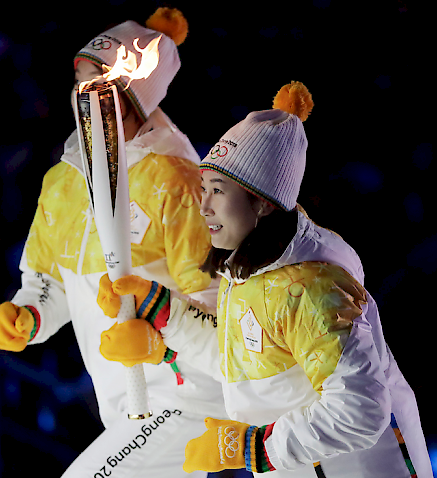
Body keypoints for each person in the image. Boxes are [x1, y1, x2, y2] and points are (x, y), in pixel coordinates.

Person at [96, 82, 432, 477]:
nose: (203, 206)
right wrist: (165, 319)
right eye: (203, 189)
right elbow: (248, 364)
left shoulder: (312, 289)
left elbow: (360, 412)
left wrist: (250, 447)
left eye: (218, 191)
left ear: (262, 202)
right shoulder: (251, 269)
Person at [0, 8, 230, 478]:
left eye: (98, 82)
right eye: (80, 80)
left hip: (185, 397)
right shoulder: (63, 181)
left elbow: (215, 309)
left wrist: (162, 344)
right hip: (120, 404)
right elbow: (48, 281)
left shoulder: (174, 181)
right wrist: (28, 315)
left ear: (133, 95)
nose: (83, 95)